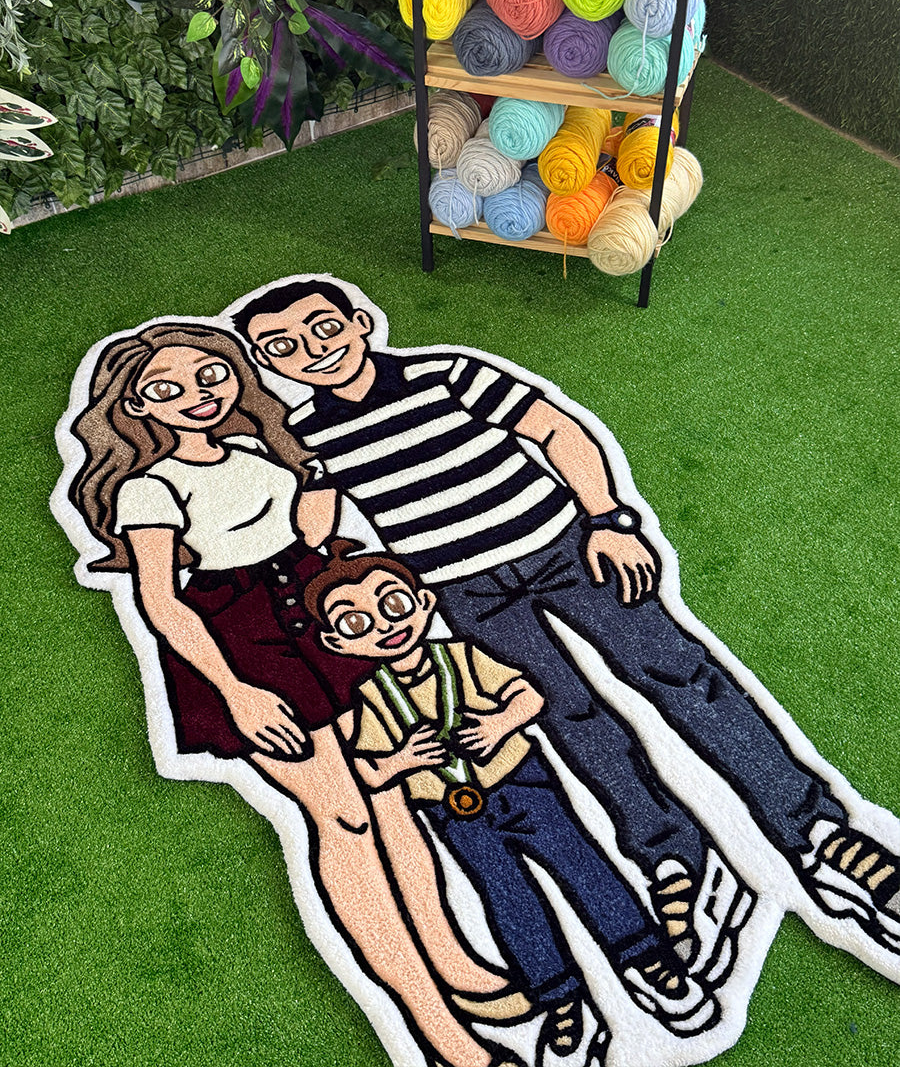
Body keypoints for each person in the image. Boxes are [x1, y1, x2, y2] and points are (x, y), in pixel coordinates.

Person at [229, 276, 900, 968]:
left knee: (679, 673)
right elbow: (318, 512)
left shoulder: (446, 373)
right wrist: (304, 515)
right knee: (565, 716)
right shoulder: (307, 433)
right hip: (465, 593)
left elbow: (554, 427)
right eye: (282, 347)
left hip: (566, 548)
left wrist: (610, 518)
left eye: (323, 328)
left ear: (360, 323)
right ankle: (672, 859)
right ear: (267, 364)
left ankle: (815, 832)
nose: (311, 351)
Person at [64, 320, 529, 1067]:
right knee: (344, 818)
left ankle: (454, 962)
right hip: (243, 647)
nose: (196, 395)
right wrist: (236, 692)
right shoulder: (150, 488)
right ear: (138, 406)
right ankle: (435, 1025)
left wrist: (314, 495)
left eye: (210, 375)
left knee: (392, 800)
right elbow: (163, 601)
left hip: (322, 625)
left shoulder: (255, 450)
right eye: (167, 389)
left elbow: (305, 539)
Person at [304, 539, 725, 1065]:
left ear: (424, 601)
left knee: (582, 865)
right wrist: (402, 760)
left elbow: (529, 695)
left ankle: (645, 959)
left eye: (393, 604)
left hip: (521, 783)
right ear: (337, 643)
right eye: (356, 623)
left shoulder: (462, 656)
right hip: (452, 811)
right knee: (508, 900)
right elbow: (367, 769)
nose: (385, 625)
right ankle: (561, 999)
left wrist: (499, 723)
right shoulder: (372, 698)